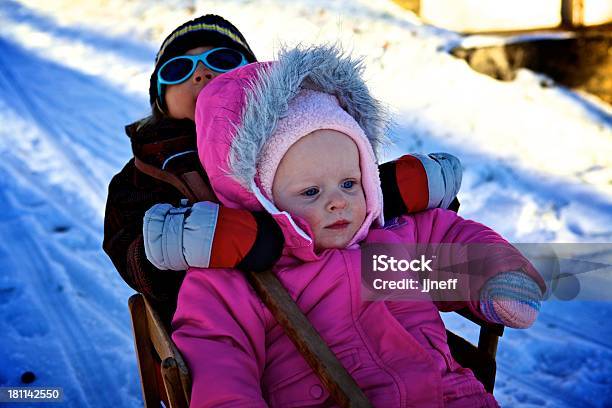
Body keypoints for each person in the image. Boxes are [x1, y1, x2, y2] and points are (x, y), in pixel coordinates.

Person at [170, 45, 546, 407]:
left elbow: (455, 239)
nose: (339, 202)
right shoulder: (234, 283)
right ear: (262, 199)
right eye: (311, 191)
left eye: (350, 183)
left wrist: (498, 276)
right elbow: (221, 367)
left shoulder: (393, 239)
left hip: (451, 396)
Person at [103, 15, 464, 322]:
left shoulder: (291, 132)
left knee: (425, 262)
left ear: (253, 77)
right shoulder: (141, 175)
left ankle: (498, 280)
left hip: (337, 289)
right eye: (180, 68)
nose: (201, 74)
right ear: (159, 98)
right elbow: (131, 254)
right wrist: (188, 241)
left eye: (223, 60)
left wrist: (382, 190)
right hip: (234, 317)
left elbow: (332, 180)